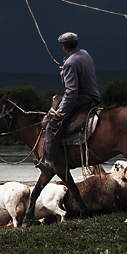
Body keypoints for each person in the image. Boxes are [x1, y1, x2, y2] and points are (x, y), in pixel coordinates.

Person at [39, 31, 100, 172]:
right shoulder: (84, 54)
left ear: (63, 46)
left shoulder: (70, 63)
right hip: (94, 96)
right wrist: (65, 71)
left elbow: (71, 92)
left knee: (52, 126)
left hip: (82, 99)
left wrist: (60, 113)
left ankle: (48, 163)